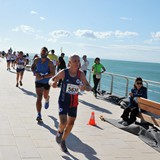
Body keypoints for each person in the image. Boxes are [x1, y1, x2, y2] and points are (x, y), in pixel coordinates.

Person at [49, 54, 92, 152]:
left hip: (74, 102)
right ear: (70, 63)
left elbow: (89, 87)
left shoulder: (81, 74)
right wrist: (53, 83)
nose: (77, 63)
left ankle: (63, 141)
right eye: (74, 61)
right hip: (63, 100)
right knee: (63, 122)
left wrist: (85, 87)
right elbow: (52, 79)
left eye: (78, 61)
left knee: (71, 123)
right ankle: (60, 132)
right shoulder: (64, 72)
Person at [31, 47, 55, 122]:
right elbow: (32, 68)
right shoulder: (36, 60)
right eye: (42, 52)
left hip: (46, 82)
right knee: (39, 97)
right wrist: (35, 73)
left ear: (47, 53)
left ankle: (47, 99)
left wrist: (43, 76)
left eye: (44, 52)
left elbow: (53, 73)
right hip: (38, 81)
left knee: (45, 96)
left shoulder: (50, 62)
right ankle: (39, 114)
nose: (43, 53)